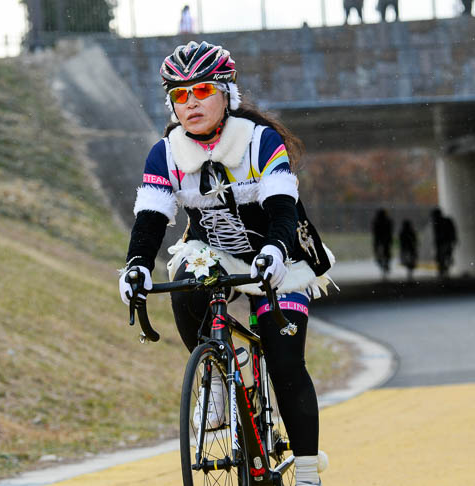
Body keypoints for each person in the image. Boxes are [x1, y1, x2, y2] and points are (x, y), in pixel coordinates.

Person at [118, 41, 336, 486]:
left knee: (284, 361)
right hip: (214, 250)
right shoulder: (166, 153)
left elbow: (281, 208)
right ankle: (219, 373)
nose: (191, 102)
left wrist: (274, 250)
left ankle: (309, 473)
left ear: (226, 94)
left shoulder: (259, 141)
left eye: (201, 90)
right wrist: (136, 265)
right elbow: (151, 218)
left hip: (280, 252)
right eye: (180, 95)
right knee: (184, 283)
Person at [431, 207, 457, 277]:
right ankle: (444, 270)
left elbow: (437, 235)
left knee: (442, 257)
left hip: (443, 242)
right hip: (445, 242)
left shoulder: (437, 222)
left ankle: (443, 270)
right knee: (446, 256)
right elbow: (453, 231)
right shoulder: (446, 221)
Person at [371, 208, 393, 278]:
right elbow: (390, 230)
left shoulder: (376, 221)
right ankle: (385, 264)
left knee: (379, 254)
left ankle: (382, 264)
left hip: (379, 240)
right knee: (386, 253)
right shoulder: (388, 221)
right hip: (385, 240)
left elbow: (374, 231)